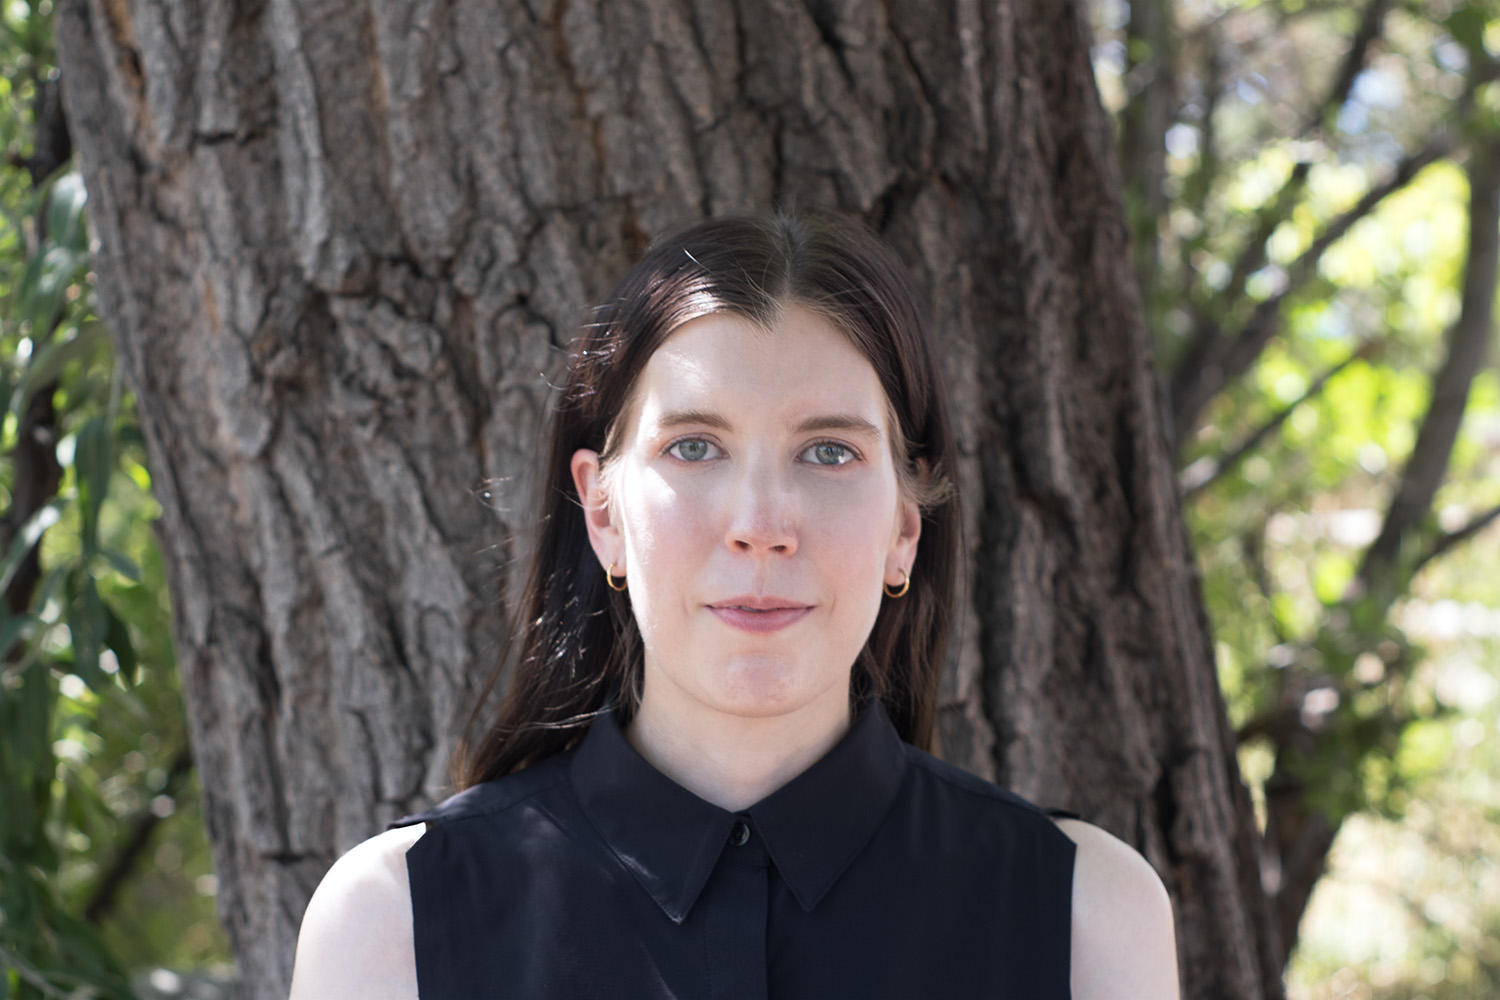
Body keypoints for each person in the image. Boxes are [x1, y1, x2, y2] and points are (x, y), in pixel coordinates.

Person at [288, 214, 1180, 999]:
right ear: (602, 513)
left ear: (904, 530)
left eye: (828, 453)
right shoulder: (390, 921)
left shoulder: (1086, 915)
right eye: (695, 446)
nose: (761, 527)